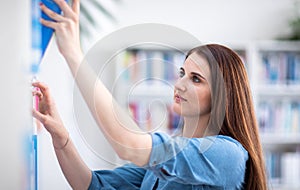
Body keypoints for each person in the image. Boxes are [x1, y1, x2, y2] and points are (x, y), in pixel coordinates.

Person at [33, 0, 267, 189]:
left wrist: (74, 54)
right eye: (182, 73)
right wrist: (60, 134)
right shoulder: (166, 162)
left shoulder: (227, 154)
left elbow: (129, 146)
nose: (180, 84)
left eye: (196, 79)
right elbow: (92, 184)